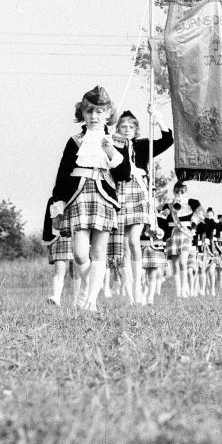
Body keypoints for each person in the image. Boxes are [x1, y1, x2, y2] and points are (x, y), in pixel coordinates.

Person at [42, 85, 131, 311]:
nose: (94, 116)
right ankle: (86, 289)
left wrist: (111, 151)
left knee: (98, 252)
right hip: (78, 197)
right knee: (80, 254)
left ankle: (91, 301)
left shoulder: (119, 141)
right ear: (82, 113)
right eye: (89, 111)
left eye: (99, 112)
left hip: (104, 198)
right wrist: (57, 204)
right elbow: (62, 175)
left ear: (108, 114)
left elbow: (124, 175)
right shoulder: (75, 141)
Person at [113, 110, 174, 305]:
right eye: (123, 126)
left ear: (136, 129)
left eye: (131, 127)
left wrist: (159, 119)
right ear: (118, 128)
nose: (127, 130)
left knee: (134, 240)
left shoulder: (143, 145)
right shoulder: (113, 146)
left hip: (139, 192)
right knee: (123, 246)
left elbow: (167, 141)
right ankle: (130, 293)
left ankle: (138, 290)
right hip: (120, 192)